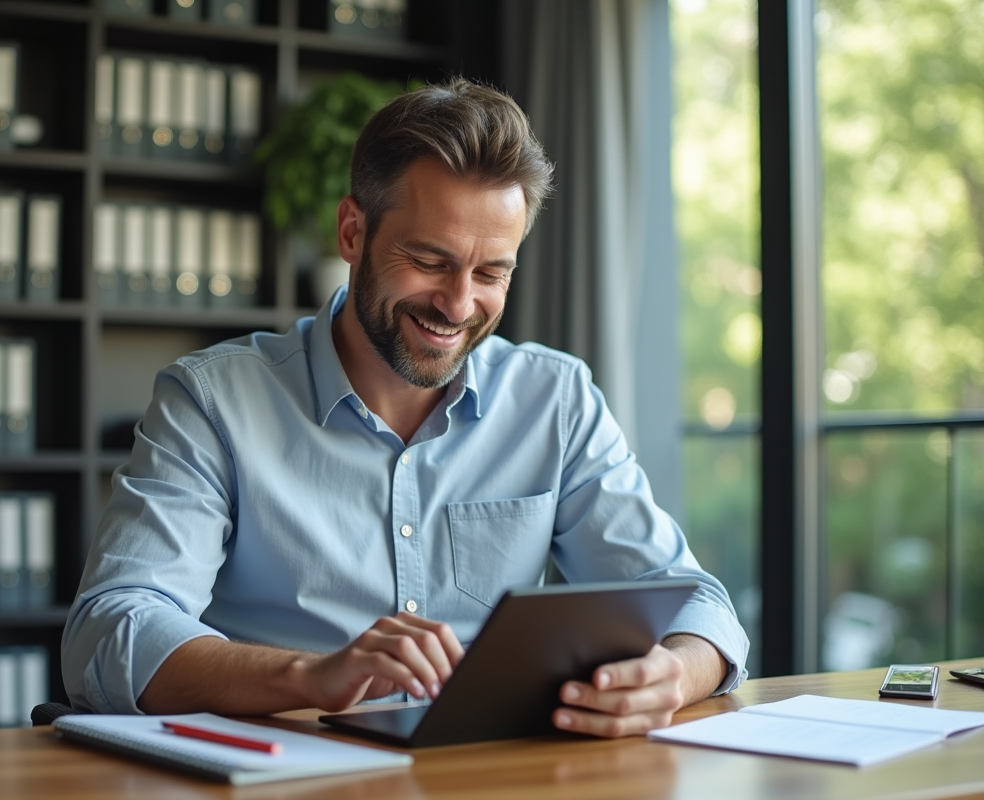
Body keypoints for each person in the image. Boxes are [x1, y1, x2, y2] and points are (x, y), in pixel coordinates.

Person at [63, 78, 749, 738]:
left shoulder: (556, 400)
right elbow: (110, 630)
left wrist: (673, 674)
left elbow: (694, 600)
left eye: (490, 274)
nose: (457, 305)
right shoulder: (213, 400)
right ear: (353, 233)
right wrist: (311, 675)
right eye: (428, 260)